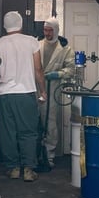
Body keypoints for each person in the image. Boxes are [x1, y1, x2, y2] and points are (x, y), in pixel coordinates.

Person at [0, 11, 47, 182]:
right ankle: (28, 170)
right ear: (21, 24)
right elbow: (38, 69)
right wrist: (42, 90)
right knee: (28, 132)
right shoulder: (31, 42)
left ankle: (13, 168)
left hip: (5, 95)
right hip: (26, 93)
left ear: (5, 26)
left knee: (8, 132)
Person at [38, 16, 75, 167]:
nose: (47, 33)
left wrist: (57, 74)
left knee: (50, 122)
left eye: (50, 30)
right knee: (34, 121)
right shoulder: (36, 44)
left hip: (52, 89)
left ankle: (49, 155)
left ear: (56, 30)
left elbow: (71, 69)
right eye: (45, 30)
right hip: (35, 87)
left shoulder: (65, 49)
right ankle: (35, 154)